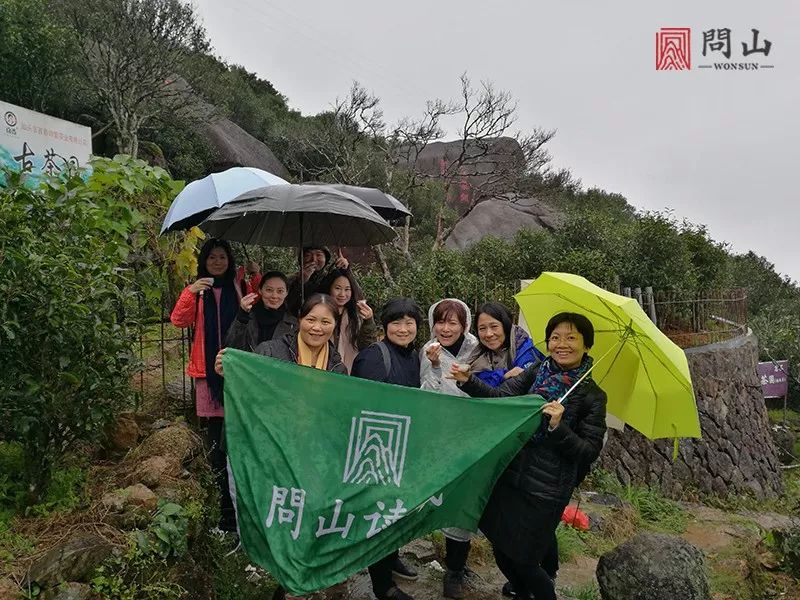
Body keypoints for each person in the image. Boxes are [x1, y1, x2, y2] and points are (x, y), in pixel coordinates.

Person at [450, 312, 607, 600]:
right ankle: (522, 593)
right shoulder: (535, 371)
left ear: (586, 345)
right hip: (511, 474)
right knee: (501, 545)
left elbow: (588, 451)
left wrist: (559, 428)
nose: (562, 344)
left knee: (525, 560)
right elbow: (502, 400)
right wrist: (468, 381)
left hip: (547, 488)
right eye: (556, 337)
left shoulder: (592, 396)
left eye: (572, 338)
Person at [215, 294, 348, 600]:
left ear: (335, 326)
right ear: (299, 320)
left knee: (299, 520)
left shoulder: (338, 370)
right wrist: (231, 369)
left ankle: (292, 585)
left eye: (325, 321)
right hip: (263, 450)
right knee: (266, 517)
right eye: (310, 319)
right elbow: (247, 390)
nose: (317, 328)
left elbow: (337, 416)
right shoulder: (271, 351)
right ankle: (286, 578)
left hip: (304, 455)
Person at [351, 298, 424, 600]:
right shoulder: (373, 357)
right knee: (378, 515)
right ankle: (383, 587)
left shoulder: (417, 357)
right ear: (385, 326)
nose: (403, 329)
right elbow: (363, 408)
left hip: (406, 446)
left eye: (410, 323)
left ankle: (391, 556)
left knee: (397, 510)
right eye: (396, 323)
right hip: (378, 451)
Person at [170, 237, 241, 532]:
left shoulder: (241, 286)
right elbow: (178, 321)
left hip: (238, 372)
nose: (217, 262)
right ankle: (223, 510)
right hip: (207, 374)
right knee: (216, 446)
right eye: (212, 257)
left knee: (238, 440)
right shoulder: (198, 292)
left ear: (230, 260)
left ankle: (240, 510)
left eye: (222, 256)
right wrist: (189, 291)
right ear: (204, 261)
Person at [419, 298, 479, 599]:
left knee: (464, 504)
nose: (445, 328)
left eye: (452, 322)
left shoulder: (478, 350)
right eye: (440, 322)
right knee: (442, 500)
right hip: (440, 439)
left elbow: (484, 391)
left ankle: (455, 569)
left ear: (464, 325)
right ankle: (448, 560)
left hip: (472, 438)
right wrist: (433, 364)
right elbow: (426, 395)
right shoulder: (428, 350)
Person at [467, 302, 544, 388]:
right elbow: (477, 385)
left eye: (494, 326)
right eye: (482, 328)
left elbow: (524, 386)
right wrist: (504, 376)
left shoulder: (526, 350)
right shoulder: (476, 357)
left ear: (506, 326)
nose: (488, 334)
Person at [225, 271, 298, 352]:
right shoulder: (247, 317)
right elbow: (231, 347)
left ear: (286, 293)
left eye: (280, 291)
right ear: (260, 290)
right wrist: (241, 317)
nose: (274, 296)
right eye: (269, 290)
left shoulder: (293, 324)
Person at [321, 268, 377, 372]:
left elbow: (368, 346)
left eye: (347, 289)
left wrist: (368, 322)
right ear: (329, 288)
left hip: (350, 373)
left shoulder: (357, 315)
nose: (342, 294)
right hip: (323, 370)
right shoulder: (320, 312)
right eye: (337, 288)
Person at [286, 246, 349, 315]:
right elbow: (287, 305)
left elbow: (353, 298)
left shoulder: (334, 277)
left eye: (319, 255)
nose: (314, 259)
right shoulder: (290, 279)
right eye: (308, 255)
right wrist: (301, 282)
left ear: (326, 259)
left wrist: (345, 270)